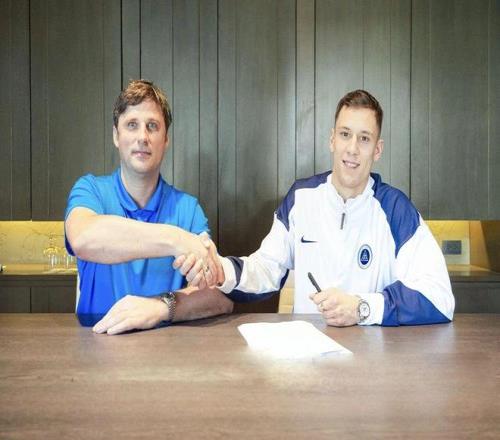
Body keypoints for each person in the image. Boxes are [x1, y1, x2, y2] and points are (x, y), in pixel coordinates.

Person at [176, 89, 455, 326]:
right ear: (332, 139)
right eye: (345, 134)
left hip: (373, 360)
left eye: (364, 138)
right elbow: (266, 269)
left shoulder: (396, 209)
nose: (352, 148)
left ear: (377, 149)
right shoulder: (301, 198)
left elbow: (440, 298)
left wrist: (361, 308)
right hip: (308, 356)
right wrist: (221, 269)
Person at [65, 79, 232, 335]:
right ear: (116, 135)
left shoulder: (188, 209)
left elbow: (219, 297)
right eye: (132, 125)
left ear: (165, 140)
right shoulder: (91, 190)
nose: (142, 137)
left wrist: (161, 307)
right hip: (96, 342)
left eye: (152, 126)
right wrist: (176, 239)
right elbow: (82, 238)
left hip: (166, 348)